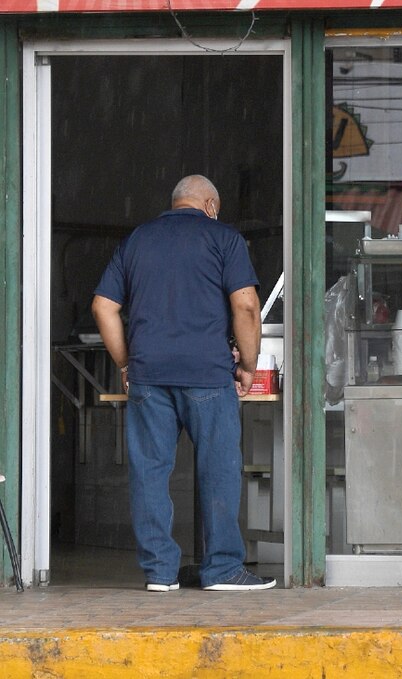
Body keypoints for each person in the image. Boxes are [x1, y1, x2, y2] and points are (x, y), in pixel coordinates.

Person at [91, 175, 276, 592]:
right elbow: (246, 306)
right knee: (219, 469)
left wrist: (126, 361)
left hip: (149, 375)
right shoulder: (223, 238)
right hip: (207, 373)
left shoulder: (138, 239)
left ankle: (159, 571)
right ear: (210, 205)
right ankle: (223, 569)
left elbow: (103, 306)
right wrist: (248, 364)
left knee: (150, 472)